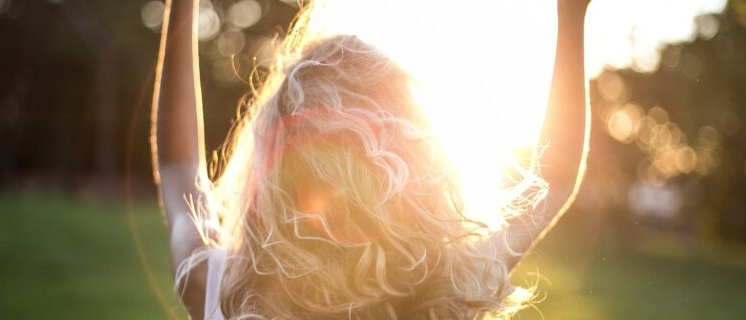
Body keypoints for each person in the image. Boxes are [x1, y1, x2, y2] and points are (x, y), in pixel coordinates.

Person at [151, 0, 591, 319]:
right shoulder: (446, 288)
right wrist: (571, 16)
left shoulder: (220, 290)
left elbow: (179, 171)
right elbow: (553, 176)